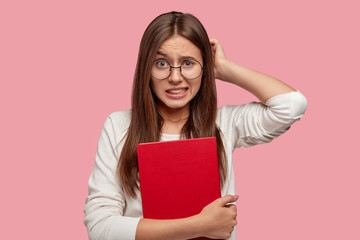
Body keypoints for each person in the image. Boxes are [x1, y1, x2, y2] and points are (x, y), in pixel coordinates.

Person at [83, 11, 307, 240]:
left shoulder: (224, 124)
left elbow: (292, 105)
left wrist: (224, 69)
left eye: (188, 63)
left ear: (204, 68)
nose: (175, 77)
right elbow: (100, 228)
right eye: (161, 63)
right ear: (146, 71)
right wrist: (198, 226)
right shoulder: (119, 126)